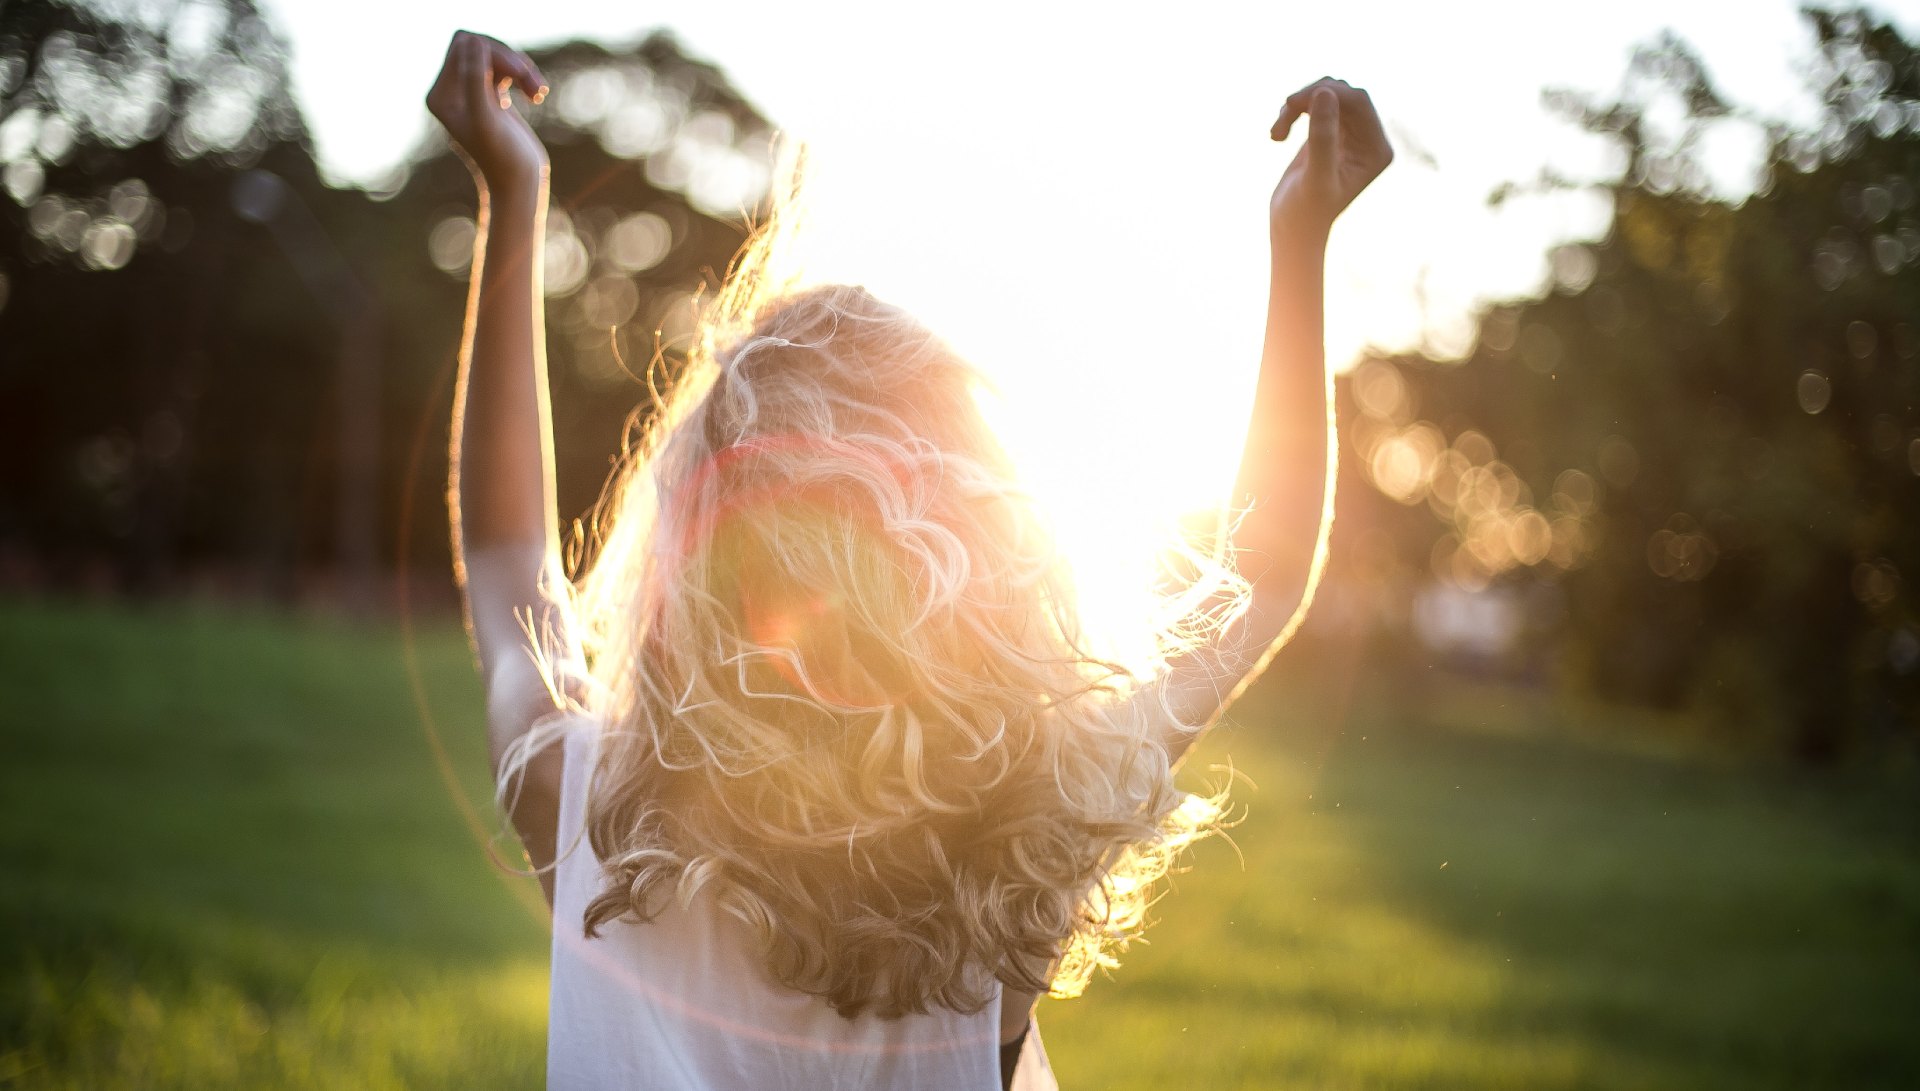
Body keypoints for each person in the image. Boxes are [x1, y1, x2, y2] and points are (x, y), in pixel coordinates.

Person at [427, 28, 1390, 1090]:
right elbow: (1261, 566)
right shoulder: (1028, 829)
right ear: (980, 551)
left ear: (691, 568)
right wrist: (1301, 243)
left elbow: (509, 549)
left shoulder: (584, 805)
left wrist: (512, 199)